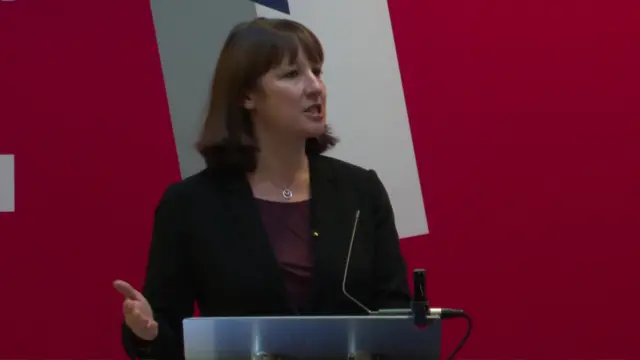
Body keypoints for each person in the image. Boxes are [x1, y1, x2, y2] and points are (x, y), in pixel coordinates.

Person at [113, 17, 410, 360]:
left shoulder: (361, 190)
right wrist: (147, 333)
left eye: (317, 71)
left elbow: (396, 314)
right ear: (246, 96)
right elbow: (166, 333)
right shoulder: (189, 206)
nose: (315, 87)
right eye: (292, 74)